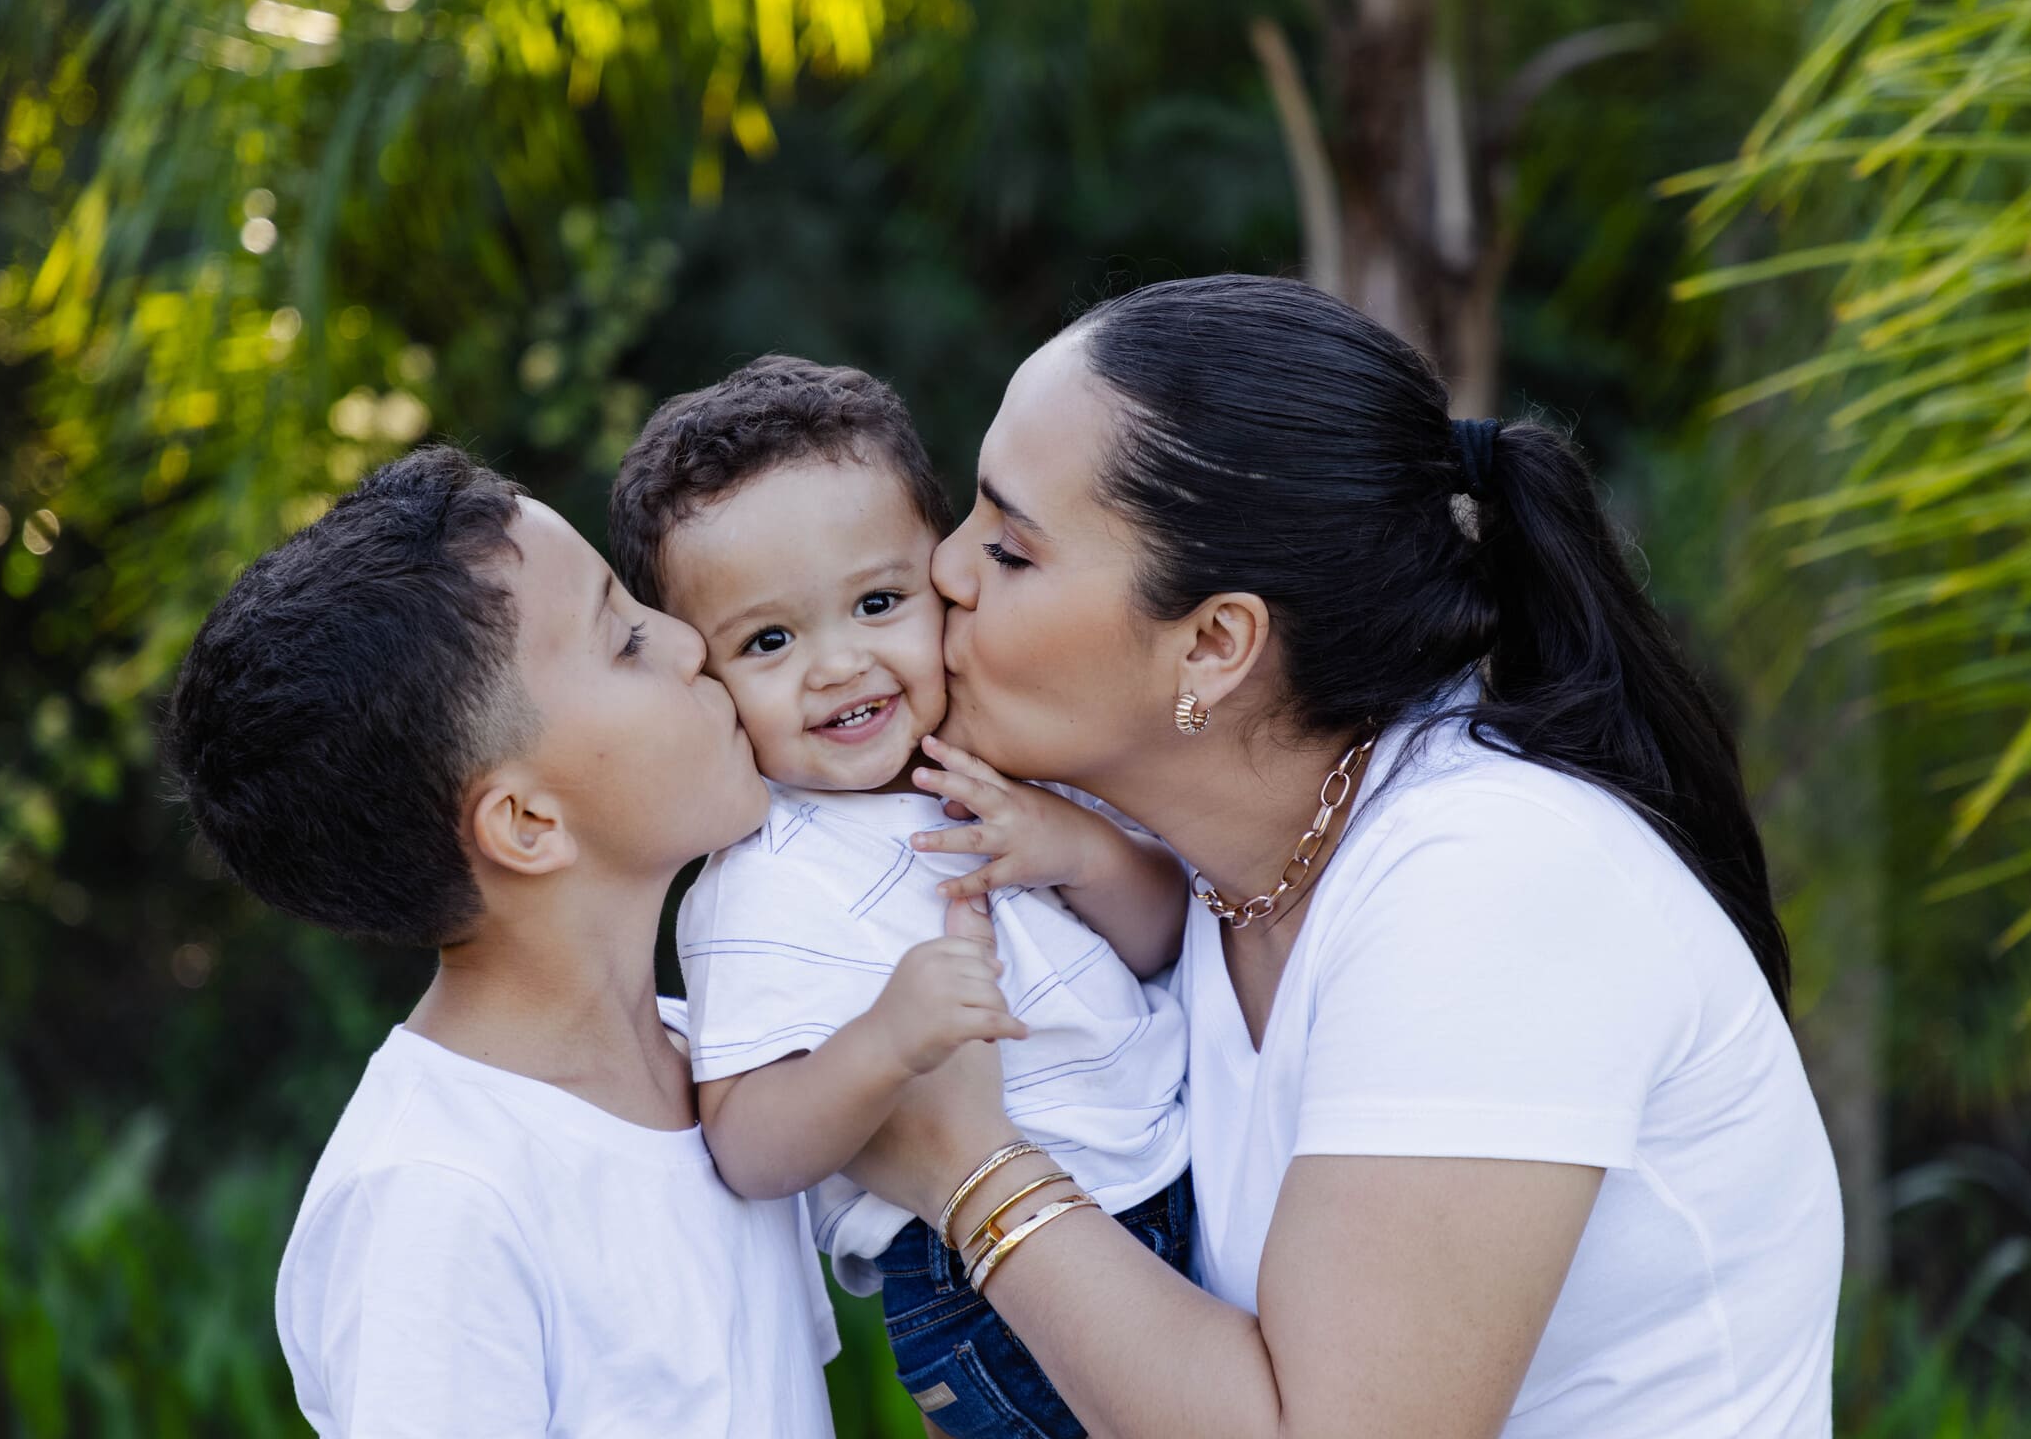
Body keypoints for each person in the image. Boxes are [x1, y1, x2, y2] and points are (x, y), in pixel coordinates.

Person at [847, 274, 1845, 1438]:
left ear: (1216, 644)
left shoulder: (1490, 881)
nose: (943, 574)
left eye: (1010, 552)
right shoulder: (1190, 872)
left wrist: (970, 1168)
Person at [163, 447, 840, 1437]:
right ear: (525, 823)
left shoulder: (732, 1071)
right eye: (626, 642)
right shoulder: (436, 1199)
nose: (691, 644)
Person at [609, 355, 1194, 1438]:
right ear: (705, 676)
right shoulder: (765, 877)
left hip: (1166, 1190)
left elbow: (1166, 935)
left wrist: (1076, 848)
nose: (838, 666)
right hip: (981, 1284)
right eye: (770, 641)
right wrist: (886, 1043)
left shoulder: (1010, 763)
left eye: (878, 603)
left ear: (943, 579)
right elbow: (747, 1144)